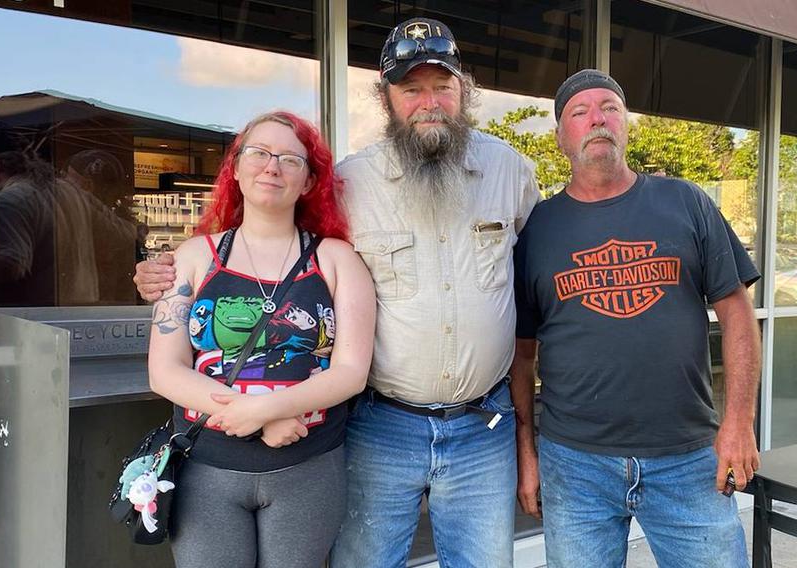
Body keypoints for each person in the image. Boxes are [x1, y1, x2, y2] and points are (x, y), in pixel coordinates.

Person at [135, 18, 540, 567]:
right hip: (381, 427)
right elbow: (248, 270)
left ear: (462, 89)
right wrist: (158, 277)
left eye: (441, 86)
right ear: (386, 97)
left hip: (479, 429)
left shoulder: (511, 173)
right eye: (411, 89)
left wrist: (525, 433)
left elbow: (533, 286)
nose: (428, 102)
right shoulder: (353, 185)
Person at [510, 69, 761, 568]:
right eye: (579, 113)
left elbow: (736, 312)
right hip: (575, 463)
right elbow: (522, 354)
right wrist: (528, 454)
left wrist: (738, 423)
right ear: (562, 137)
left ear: (626, 125)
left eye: (610, 108)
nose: (597, 119)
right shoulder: (538, 227)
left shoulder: (685, 201)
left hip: (687, 458)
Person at [146, 110, 375, 568]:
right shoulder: (193, 258)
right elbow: (164, 370)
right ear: (235, 166)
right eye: (259, 153)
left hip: (307, 467)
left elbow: (351, 371)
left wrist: (267, 409)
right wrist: (259, 418)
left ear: (309, 180)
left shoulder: (336, 260)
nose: (272, 167)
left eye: (291, 159)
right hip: (206, 471)